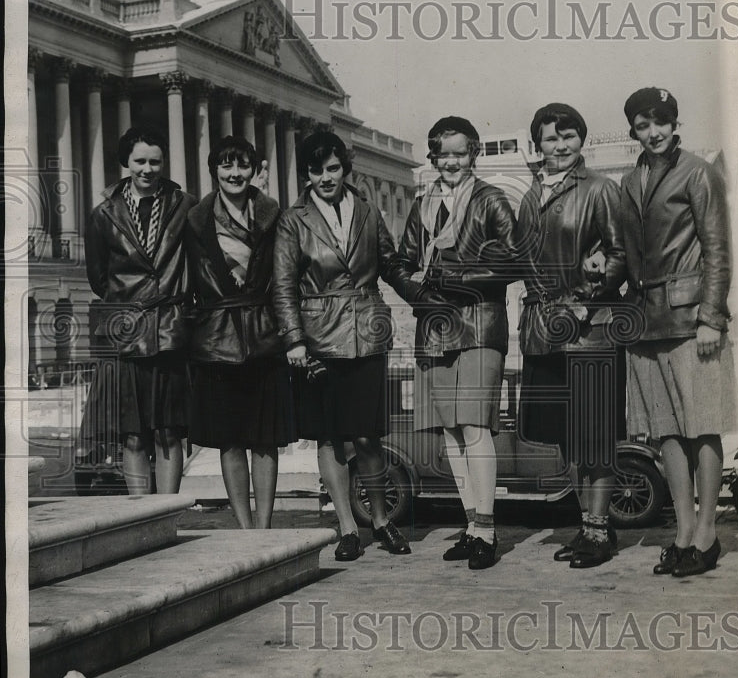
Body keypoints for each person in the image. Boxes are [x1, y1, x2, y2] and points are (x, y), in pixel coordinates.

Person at [273, 130, 418, 561]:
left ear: (345, 168)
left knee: (368, 436)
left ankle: (381, 520)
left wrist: (425, 298)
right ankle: (346, 527)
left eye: (332, 168)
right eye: (315, 170)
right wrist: (294, 340)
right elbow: (282, 285)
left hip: (368, 334)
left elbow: (390, 265)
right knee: (331, 438)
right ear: (306, 174)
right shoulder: (292, 219)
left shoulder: (369, 211)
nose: (324, 178)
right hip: (318, 340)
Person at [620, 87, 735, 577]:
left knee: (702, 425)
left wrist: (712, 316)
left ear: (674, 122)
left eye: (661, 121)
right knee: (667, 432)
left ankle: (708, 534)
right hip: (647, 323)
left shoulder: (699, 172)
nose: (654, 132)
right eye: (644, 125)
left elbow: (717, 249)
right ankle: (683, 530)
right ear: (633, 132)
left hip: (692, 323)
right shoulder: (629, 181)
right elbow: (628, 253)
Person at [397, 116, 521, 570]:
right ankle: (471, 526)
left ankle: (487, 530)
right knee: (450, 430)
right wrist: (420, 294)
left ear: (474, 155)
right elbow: (402, 262)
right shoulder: (422, 204)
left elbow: (514, 262)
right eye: (442, 154)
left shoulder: (491, 200)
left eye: (459, 153)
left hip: (479, 324)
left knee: (474, 427)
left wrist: (455, 278)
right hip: (434, 325)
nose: (450, 161)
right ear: (433, 157)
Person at [516, 103, 627, 568]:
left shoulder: (601, 189)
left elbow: (622, 254)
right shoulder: (529, 195)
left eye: (568, 137)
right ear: (536, 144)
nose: (560, 147)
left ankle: (600, 533)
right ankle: (587, 529)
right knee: (567, 438)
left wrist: (586, 302)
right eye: (549, 138)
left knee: (595, 438)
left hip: (591, 330)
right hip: (544, 331)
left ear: (581, 140)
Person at [185, 135, 293, 528]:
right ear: (214, 170)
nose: (235, 173)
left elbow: (285, 277)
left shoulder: (271, 215)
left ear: (255, 169)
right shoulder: (196, 220)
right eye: (226, 165)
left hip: (264, 337)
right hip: (216, 341)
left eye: (242, 165)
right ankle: (245, 529)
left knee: (265, 439)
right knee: (230, 439)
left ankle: (264, 526)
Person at [82, 125, 195, 494]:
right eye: (140, 161)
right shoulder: (104, 213)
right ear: (126, 162)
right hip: (126, 331)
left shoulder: (185, 206)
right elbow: (99, 276)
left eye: (155, 161)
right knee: (132, 436)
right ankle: (142, 519)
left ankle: (167, 514)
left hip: (169, 330)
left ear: (165, 163)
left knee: (167, 432)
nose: (148, 169)